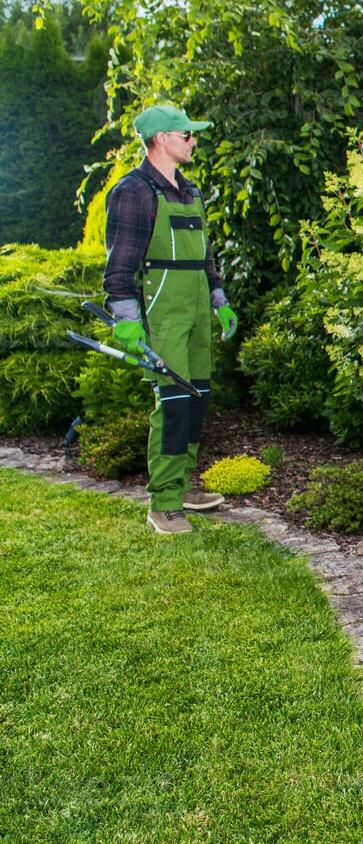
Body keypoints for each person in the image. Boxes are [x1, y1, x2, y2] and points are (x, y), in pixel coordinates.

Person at [102, 105, 240, 534]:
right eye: (186, 134)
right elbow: (120, 265)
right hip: (164, 312)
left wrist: (219, 301)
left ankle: (181, 487)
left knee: (197, 398)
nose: (192, 140)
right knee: (174, 403)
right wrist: (125, 317)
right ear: (161, 138)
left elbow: (205, 257)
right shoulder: (134, 191)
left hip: (197, 306)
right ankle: (162, 503)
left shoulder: (191, 191)